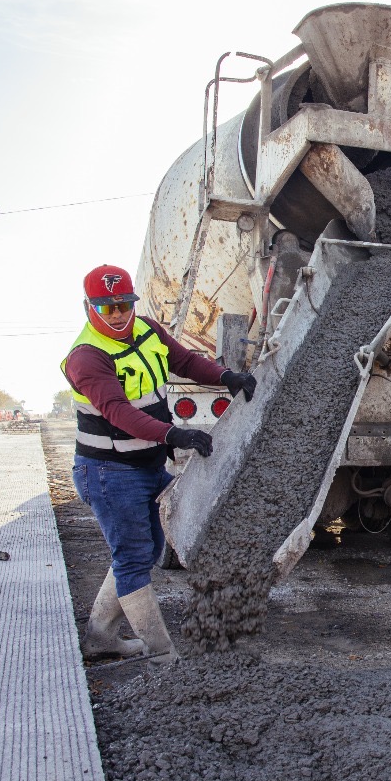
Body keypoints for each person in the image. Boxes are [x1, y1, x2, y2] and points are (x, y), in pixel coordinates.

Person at [61, 264, 257, 663]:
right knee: (133, 557)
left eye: (124, 304)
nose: (118, 314)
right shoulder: (87, 358)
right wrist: (174, 435)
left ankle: (100, 638)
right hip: (108, 472)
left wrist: (227, 377)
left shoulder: (147, 330)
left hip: (146, 465)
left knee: (147, 550)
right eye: (107, 308)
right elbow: (118, 413)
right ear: (89, 308)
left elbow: (184, 362)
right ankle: (161, 654)